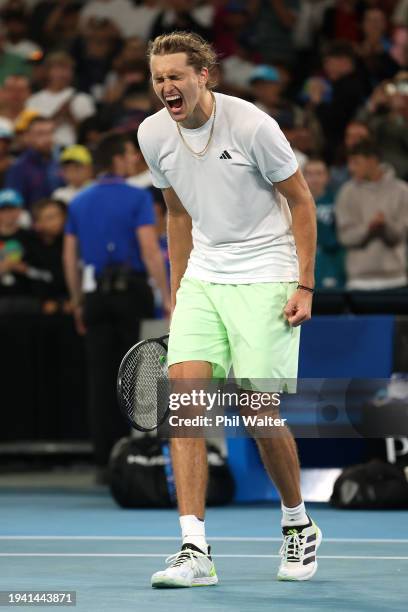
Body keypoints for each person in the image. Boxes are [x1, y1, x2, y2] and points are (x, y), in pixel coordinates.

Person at [137, 31, 319, 588]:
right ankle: (195, 549)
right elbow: (177, 213)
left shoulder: (252, 126)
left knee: (259, 411)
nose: (167, 87)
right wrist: (177, 290)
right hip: (204, 278)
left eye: (176, 76)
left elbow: (301, 200)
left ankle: (297, 523)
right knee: (186, 407)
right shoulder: (152, 134)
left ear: (203, 76)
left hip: (266, 272)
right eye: (158, 78)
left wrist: (305, 285)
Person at [63, 132, 171, 482]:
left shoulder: (79, 201)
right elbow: (150, 249)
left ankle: (104, 461)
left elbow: (70, 256)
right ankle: (139, 451)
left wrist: (78, 300)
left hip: (95, 294)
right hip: (131, 292)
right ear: (117, 159)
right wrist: (167, 295)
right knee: (139, 374)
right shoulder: (136, 197)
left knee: (100, 378)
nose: (133, 161)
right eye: (129, 155)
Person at [336, 140, 408, 290]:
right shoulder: (346, 192)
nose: (351, 168)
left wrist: (385, 225)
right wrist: (369, 228)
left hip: (396, 279)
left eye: (356, 162)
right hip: (359, 282)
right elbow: (345, 237)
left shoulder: (402, 191)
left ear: (372, 161)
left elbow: (402, 234)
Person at [25, 51, 96, 147]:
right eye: (58, 69)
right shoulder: (33, 100)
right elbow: (29, 132)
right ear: (48, 71)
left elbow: (90, 136)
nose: (63, 74)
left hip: (71, 151)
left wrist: (71, 117)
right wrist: (56, 118)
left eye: (67, 69)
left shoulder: (82, 99)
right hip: (40, 149)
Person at [303, 158, 345, 289]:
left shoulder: (338, 201)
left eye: (319, 173)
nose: (314, 179)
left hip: (331, 265)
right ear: (302, 177)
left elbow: (341, 238)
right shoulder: (292, 205)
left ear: (327, 177)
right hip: (303, 267)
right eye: (310, 174)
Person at [5, 116, 63, 209]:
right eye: (40, 134)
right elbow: (12, 205)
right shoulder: (19, 168)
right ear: (28, 137)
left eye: (50, 132)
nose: (47, 138)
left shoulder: (62, 162)